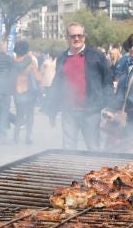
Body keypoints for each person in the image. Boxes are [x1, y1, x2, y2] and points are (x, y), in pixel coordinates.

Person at [47, 22, 113, 151]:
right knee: (68, 149)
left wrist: (110, 107)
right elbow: (57, 84)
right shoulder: (62, 58)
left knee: (93, 148)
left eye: (80, 35)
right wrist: (52, 110)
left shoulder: (96, 55)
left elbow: (107, 81)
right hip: (69, 112)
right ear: (67, 37)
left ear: (84, 36)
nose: (76, 39)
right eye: (73, 36)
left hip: (91, 111)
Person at [11, 40, 40, 145]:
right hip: (29, 91)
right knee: (30, 116)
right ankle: (28, 137)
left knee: (19, 115)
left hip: (17, 91)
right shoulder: (30, 61)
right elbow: (37, 76)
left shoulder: (12, 61)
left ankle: (16, 137)